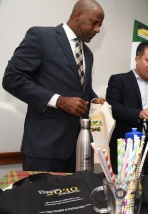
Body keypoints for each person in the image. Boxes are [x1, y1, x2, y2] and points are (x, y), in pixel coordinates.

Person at [2, 0, 105, 173]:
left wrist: (93, 98)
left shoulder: (88, 54)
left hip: (77, 149)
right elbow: (12, 78)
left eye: (100, 25)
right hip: (44, 147)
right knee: (37, 199)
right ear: (78, 14)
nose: (97, 30)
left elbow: (81, 87)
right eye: (94, 23)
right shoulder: (41, 36)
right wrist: (59, 101)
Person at [106, 41, 148, 175]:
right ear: (137, 59)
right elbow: (114, 108)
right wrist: (139, 113)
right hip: (126, 147)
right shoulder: (119, 80)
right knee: (126, 190)